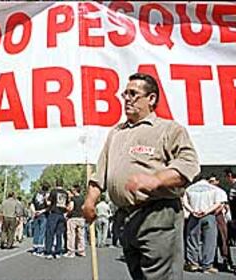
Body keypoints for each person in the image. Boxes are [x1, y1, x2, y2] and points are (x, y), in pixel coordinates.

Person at [83, 73, 200, 280]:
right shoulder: (116, 133)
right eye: (124, 94)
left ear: (151, 99)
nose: (126, 98)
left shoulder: (169, 129)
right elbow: (101, 172)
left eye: (133, 94)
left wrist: (156, 179)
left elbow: (188, 165)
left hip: (157, 215)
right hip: (126, 218)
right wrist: (90, 201)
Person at [182, 176, 227, 274]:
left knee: (192, 239)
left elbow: (184, 202)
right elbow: (218, 203)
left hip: (194, 216)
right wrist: (206, 211)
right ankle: (207, 265)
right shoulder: (214, 189)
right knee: (209, 240)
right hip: (208, 215)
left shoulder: (190, 188)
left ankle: (192, 263)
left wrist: (192, 211)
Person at [45, 178, 69, 259]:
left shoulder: (53, 191)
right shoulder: (66, 193)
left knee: (50, 233)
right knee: (59, 234)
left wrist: (46, 199)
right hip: (61, 214)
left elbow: (49, 203)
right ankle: (58, 252)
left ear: (56, 184)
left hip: (54, 213)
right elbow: (67, 204)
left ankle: (49, 252)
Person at [64, 185, 86, 258]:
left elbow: (71, 208)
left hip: (73, 218)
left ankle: (71, 251)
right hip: (81, 218)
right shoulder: (83, 198)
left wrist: (67, 210)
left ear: (75, 190)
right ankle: (81, 251)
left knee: (71, 235)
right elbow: (84, 208)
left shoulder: (73, 199)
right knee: (81, 235)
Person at [30, 182, 50, 256]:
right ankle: (40, 249)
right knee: (42, 232)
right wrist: (41, 211)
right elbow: (49, 206)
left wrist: (34, 211)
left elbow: (31, 204)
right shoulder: (47, 195)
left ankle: (35, 247)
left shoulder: (36, 194)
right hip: (44, 214)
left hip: (36, 214)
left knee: (36, 231)